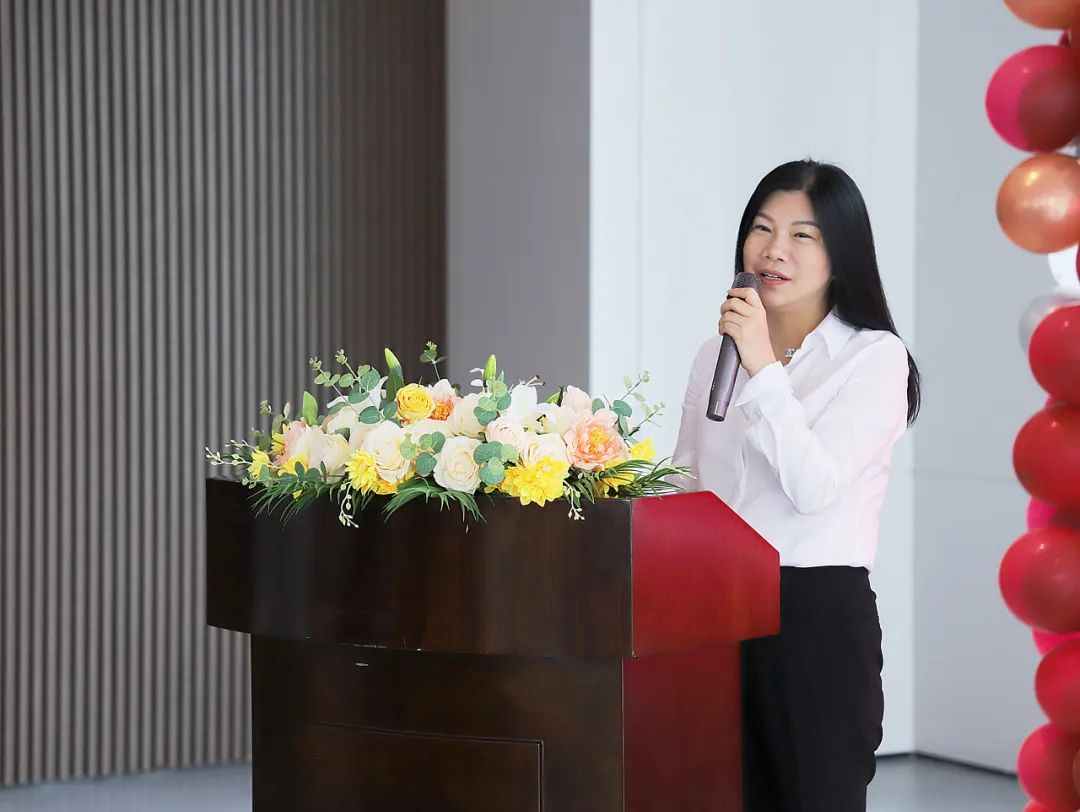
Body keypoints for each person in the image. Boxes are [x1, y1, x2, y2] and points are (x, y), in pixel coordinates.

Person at [671, 159, 921, 812]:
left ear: (842, 255)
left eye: (802, 235)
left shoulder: (874, 358)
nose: (774, 249)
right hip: (713, 614)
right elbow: (687, 483)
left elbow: (815, 488)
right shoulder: (714, 355)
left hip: (812, 617)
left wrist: (762, 368)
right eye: (762, 228)